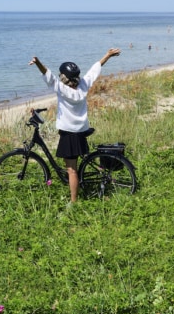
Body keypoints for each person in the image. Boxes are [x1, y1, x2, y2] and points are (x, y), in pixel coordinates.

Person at [29, 49, 121, 202]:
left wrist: (38, 63)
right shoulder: (83, 86)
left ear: (64, 78)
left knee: (72, 170)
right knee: (80, 161)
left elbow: (48, 76)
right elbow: (94, 70)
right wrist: (107, 55)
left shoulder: (62, 89)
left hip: (69, 133)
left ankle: (73, 202)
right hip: (81, 130)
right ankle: (98, 175)